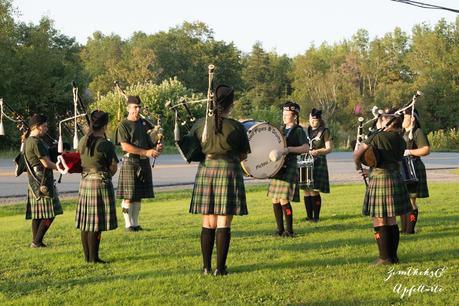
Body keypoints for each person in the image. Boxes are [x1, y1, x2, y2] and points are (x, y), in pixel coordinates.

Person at [188, 84, 250, 276]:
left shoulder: (199, 124)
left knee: (208, 220)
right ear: (231, 104)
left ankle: (206, 267)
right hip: (229, 171)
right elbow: (242, 156)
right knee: (224, 220)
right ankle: (220, 269)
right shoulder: (237, 127)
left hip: (206, 170)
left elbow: (192, 150)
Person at [353, 108, 411, 264]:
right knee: (391, 220)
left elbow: (357, 154)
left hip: (379, 180)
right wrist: (370, 168)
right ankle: (393, 256)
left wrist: (359, 166)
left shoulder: (376, 137)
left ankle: (383, 258)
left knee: (379, 219)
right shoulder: (401, 140)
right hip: (395, 177)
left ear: (386, 121)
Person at [115, 96, 163, 232]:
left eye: (139, 106)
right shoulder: (123, 124)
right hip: (130, 161)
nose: (138, 109)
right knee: (129, 195)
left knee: (138, 196)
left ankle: (135, 224)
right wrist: (146, 152)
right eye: (135, 107)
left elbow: (153, 140)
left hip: (143, 162)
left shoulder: (144, 123)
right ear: (128, 108)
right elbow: (125, 146)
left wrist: (158, 146)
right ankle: (128, 224)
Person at [76, 110, 118, 263]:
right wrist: (106, 176)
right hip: (100, 182)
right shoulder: (106, 144)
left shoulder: (82, 140)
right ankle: (94, 258)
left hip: (85, 181)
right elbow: (113, 167)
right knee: (96, 223)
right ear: (105, 125)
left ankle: (88, 257)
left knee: (86, 222)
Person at [268, 101, 309, 237]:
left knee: (284, 199)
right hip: (278, 167)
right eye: (283, 114)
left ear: (295, 116)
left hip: (290, 165)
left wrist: (288, 149)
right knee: (275, 199)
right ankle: (279, 229)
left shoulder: (298, 131)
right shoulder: (280, 129)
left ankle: (289, 230)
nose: (284, 117)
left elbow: (306, 148)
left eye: (287, 114)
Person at [24, 114, 63, 247]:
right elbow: (46, 163)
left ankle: (36, 242)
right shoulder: (35, 142)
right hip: (42, 179)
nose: (46, 128)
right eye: (44, 126)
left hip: (35, 179)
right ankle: (37, 241)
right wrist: (62, 167)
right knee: (51, 213)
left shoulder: (29, 141)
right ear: (36, 127)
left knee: (38, 215)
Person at [400, 108, 430, 234]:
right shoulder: (402, 133)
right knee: (403, 199)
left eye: (405, 117)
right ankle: (404, 229)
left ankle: (410, 229)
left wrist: (409, 151)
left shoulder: (417, 132)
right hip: (404, 167)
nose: (402, 119)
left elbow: (426, 150)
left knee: (411, 199)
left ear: (412, 119)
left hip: (414, 167)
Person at [302, 108, 332, 222]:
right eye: (311, 119)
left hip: (318, 161)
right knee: (306, 189)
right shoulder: (306, 130)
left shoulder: (325, 131)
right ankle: (309, 216)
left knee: (314, 189)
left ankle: (316, 217)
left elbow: (329, 148)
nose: (312, 122)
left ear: (319, 120)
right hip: (305, 160)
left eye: (315, 120)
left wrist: (318, 151)